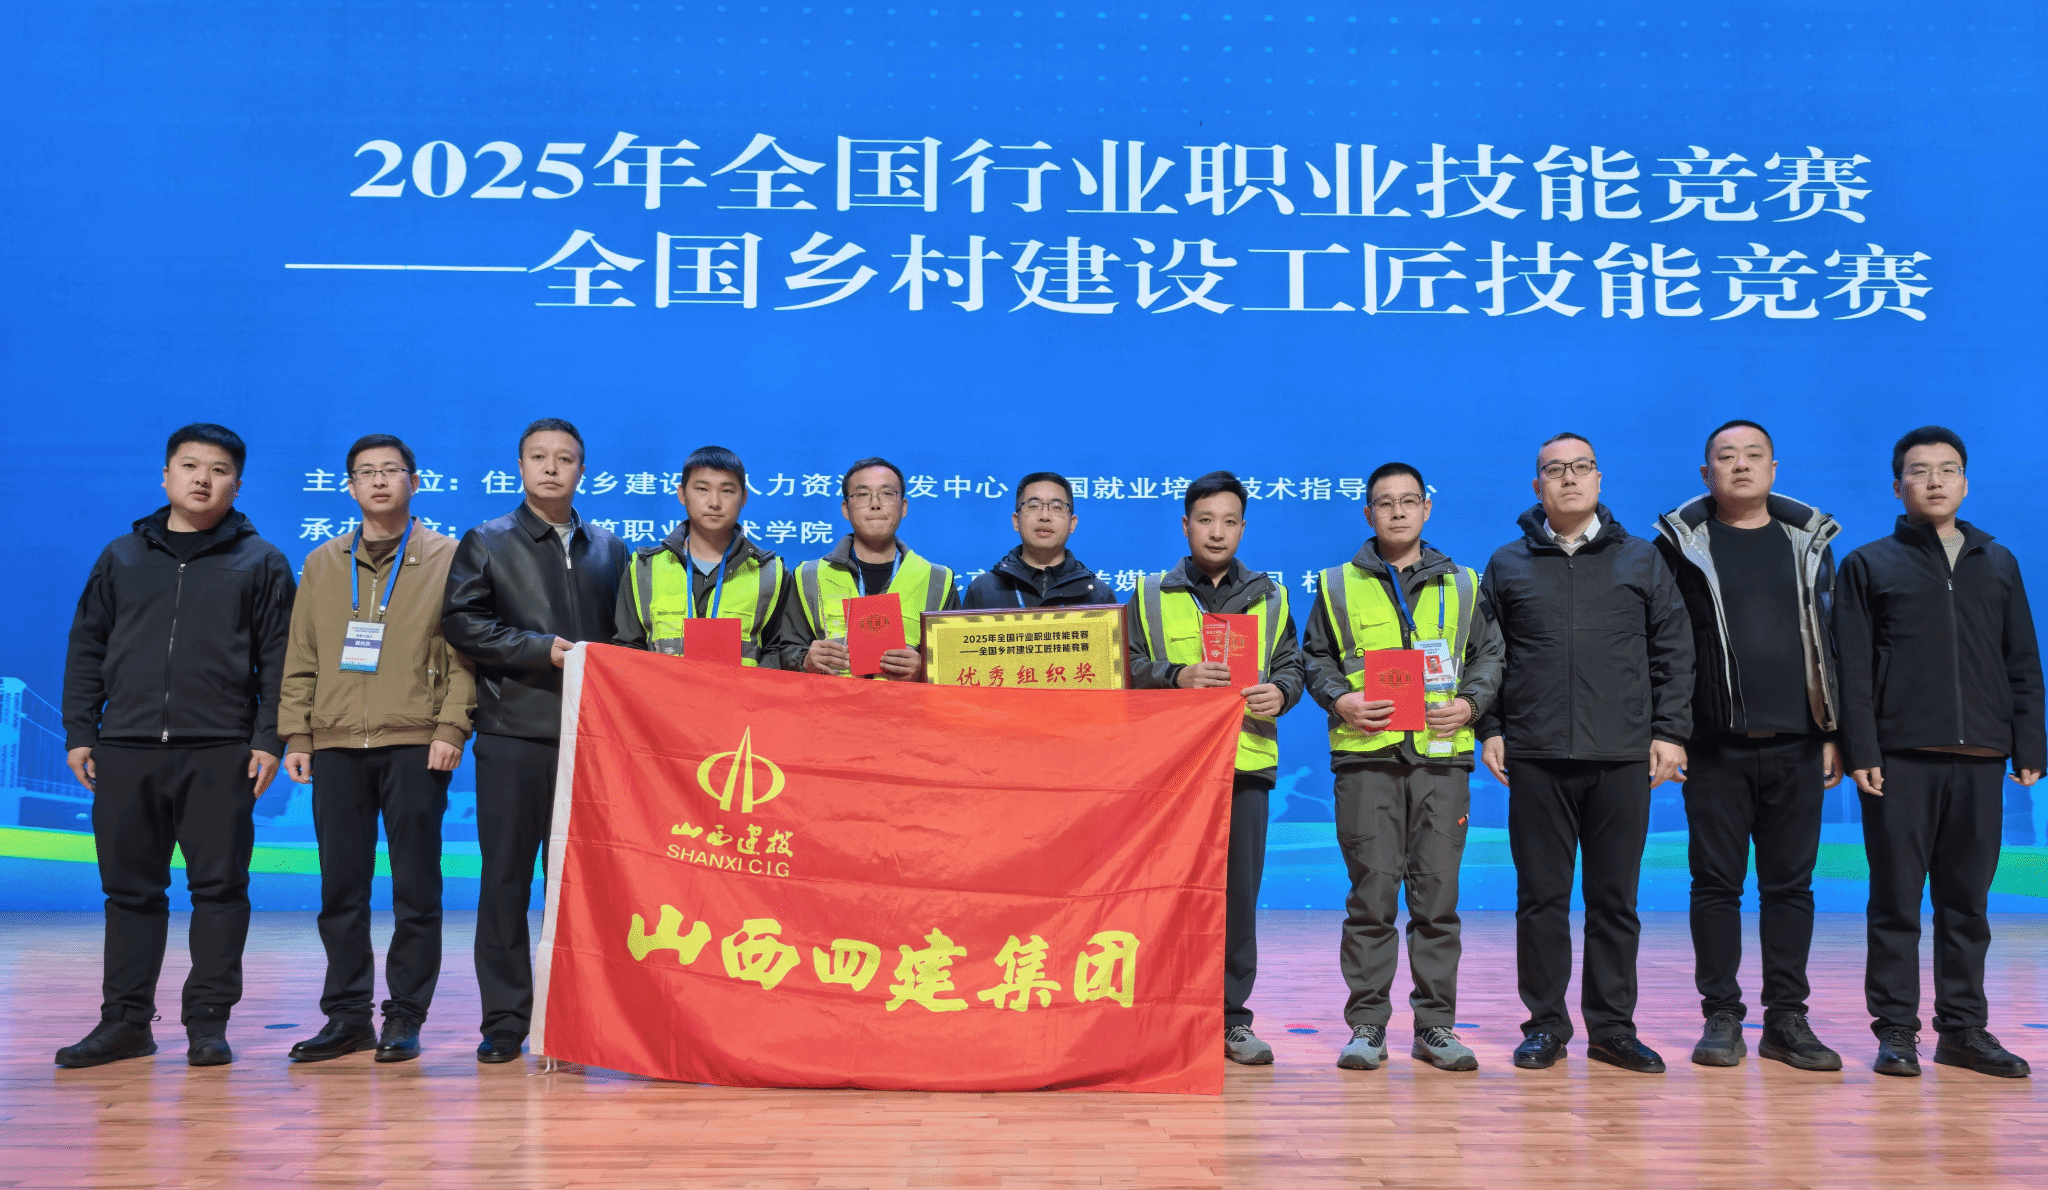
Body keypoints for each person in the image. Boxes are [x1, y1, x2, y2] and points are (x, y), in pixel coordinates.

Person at [56, 424, 297, 1069]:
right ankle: (125, 1023)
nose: (202, 479)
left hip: (220, 751)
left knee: (220, 891)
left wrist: (268, 738)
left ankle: (208, 1024)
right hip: (126, 747)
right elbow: (87, 646)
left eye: (218, 470)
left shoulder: (262, 561)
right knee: (129, 893)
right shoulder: (120, 556)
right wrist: (80, 731)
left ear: (237, 485)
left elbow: (280, 660)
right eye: (189, 466)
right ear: (165, 476)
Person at [1477, 432, 1693, 1074]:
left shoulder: (1641, 558)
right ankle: (1545, 1025)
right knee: (1540, 901)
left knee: (1614, 901)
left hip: (1621, 756)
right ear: (1537, 485)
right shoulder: (1507, 563)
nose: (1569, 478)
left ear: (1599, 479)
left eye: (1581, 467)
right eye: (1555, 470)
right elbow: (1486, 656)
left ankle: (1613, 1029)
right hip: (1536, 755)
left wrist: (1670, 732)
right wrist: (1492, 726)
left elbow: (1674, 650)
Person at [1836, 425, 2042, 1079]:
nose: (1934, 480)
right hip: (1899, 759)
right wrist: (1862, 746)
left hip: (1981, 756)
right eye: (1919, 470)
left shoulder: (1998, 562)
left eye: (1947, 469)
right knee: (1895, 903)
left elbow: (2022, 659)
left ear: (1965, 483)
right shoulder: (1868, 564)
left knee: (1967, 905)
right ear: (1898, 486)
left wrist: (2029, 740)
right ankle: (1896, 1031)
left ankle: (1963, 1030)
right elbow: (1851, 669)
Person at [278, 434, 476, 1065]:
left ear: (415, 482)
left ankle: (405, 1016)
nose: (380, 481)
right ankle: (346, 1016)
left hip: (415, 741)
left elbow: (464, 654)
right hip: (335, 742)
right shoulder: (322, 562)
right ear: (350, 487)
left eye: (392, 470)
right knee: (341, 889)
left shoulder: (448, 556)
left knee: (416, 889)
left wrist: (452, 728)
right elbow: (301, 656)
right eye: (366, 472)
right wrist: (297, 734)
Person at [1654, 420, 1846, 1072]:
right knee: (1716, 885)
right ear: (1705, 473)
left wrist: (1833, 731)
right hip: (1714, 746)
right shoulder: (1678, 548)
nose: (1740, 465)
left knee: (1791, 887)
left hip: (1799, 742)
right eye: (1726, 456)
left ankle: (1787, 1019)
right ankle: (1721, 1015)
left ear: (1773, 468)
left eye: (1753, 455)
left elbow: (1834, 642)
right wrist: (1670, 732)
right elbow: (1665, 648)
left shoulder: (1810, 546)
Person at [1302, 463, 1502, 1074]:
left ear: (1426, 509)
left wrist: (1471, 705)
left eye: (1408, 501)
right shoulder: (1337, 583)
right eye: (1384, 503)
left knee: (1437, 898)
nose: (1396, 511)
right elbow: (1314, 657)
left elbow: (1490, 656)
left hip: (1441, 757)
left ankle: (1435, 1026)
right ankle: (1367, 1025)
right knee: (1372, 896)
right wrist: (1341, 699)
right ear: (1368, 513)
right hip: (1368, 757)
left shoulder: (1464, 583)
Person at [442, 417, 627, 1064]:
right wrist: (537, 650)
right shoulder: (488, 540)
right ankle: (504, 1021)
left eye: (565, 458)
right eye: (539, 457)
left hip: (588, 742)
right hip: (512, 734)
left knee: (574, 889)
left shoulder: (611, 550)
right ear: (519, 467)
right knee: (505, 882)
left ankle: (568, 1019)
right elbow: (462, 623)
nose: (552, 468)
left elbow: (625, 639)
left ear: (583, 470)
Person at [1127, 471, 1305, 1066]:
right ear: (1186, 526)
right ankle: (1163, 1015)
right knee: (1165, 894)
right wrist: (1175, 675)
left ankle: (1231, 1019)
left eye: (1229, 521)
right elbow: (1124, 663)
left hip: (1244, 765)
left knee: (1237, 899)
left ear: (1243, 528)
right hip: (1171, 771)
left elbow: (1292, 665)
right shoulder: (1149, 594)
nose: (1217, 531)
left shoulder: (1271, 596)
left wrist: (1282, 692)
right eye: (1205, 520)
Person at [613, 445, 799, 668]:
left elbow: (778, 651)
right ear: (682, 494)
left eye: (727, 491)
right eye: (702, 489)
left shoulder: (771, 573)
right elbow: (627, 648)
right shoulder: (644, 568)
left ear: (744, 497)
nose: (714, 502)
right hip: (661, 691)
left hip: (741, 691)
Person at [781, 457, 958, 681]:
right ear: (846, 509)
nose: (875, 504)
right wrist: (805, 660)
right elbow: (782, 650)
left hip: (906, 704)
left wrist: (925, 669)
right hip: (832, 703)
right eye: (863, 494)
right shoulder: (808, 576)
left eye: (887, 494)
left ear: (903, 506)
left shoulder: (937, 580)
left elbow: (956, 664)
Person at [960, 473, 1118, 608]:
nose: (1045, 516)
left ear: (1072, 523)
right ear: (1016, 521)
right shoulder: (983, 589)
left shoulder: (1098, 594)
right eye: (1033, 506)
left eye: (1056, 507)